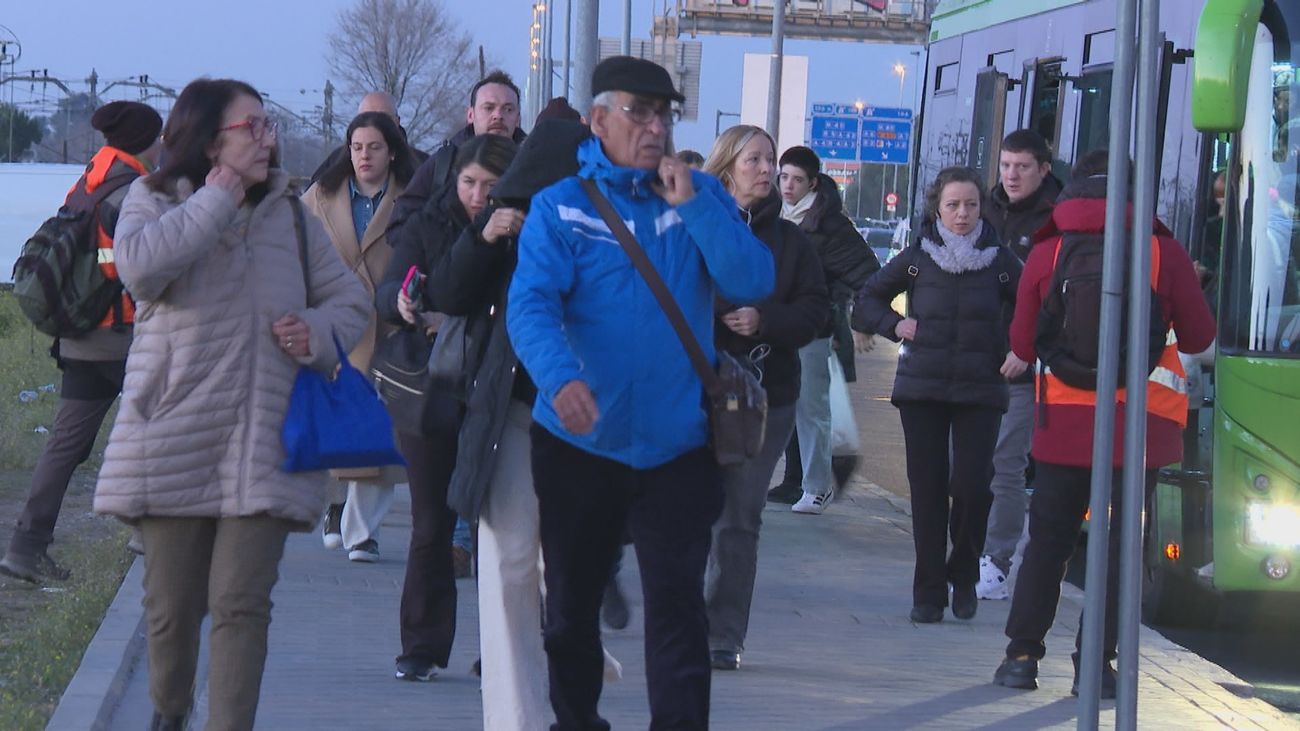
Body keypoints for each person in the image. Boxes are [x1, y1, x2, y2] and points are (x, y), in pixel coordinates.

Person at [92, 78, 370, 731]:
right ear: (211, 137)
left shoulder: (293, 215)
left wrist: (316, 331)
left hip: (266, 438)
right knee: (171, 607)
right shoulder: (152, 197)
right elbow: (140, 268)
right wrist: (216, 196)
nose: (269, 137)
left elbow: (351, 302)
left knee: (242, 602)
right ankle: (169, 710)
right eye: (255, 127)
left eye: (268, 125)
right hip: (173, 434)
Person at [506, 56, 774, 730]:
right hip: (578, 445)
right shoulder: (560, 206)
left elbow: (750, 280)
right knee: (570, 609)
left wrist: (694, 206)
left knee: (678, 605)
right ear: (599, 121)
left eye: (665, 114)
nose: (655, 127)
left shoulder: (701, 196)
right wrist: (560, 377)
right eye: (640, 112)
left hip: (677, 446)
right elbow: (530, 305)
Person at [992, 150, 1215, 696]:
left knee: (1048, 542)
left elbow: (1021, 343)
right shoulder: (1162, 251)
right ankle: (1097, 668)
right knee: (1121, 548)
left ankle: (1021, 658)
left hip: (1062, 426)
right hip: (1137, 427)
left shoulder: (1047, 250)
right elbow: (1200, 339)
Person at [0, 101, 162, 584]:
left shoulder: (89, 181)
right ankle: (144, 530)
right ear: (145, 142)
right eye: (157, 137)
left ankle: (25, 547)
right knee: (162, 425)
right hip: (120, 335)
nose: (162, 145)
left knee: (65, 445)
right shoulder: (133, 190)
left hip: (81, 334)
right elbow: (127, 267)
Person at [853, 166, 1021, 624]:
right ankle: (928, 592)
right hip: (921, 388)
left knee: (971, 488)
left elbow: (1036, 308)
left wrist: (1021, 352)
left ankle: (963, 574)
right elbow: (866, 299)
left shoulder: (1001, 261)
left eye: (970, 205)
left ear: (981, 208)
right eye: (953, 205)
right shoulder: (916, 258)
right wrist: (894, 324)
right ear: (937, 209)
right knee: (927, 492)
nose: (962, 214)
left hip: (981, 390)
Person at [700, 125, 828, 671]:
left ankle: (722, 635)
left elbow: (818, 312)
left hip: (763, 395)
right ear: (727, 166)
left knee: (740, 514)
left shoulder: (792, 242)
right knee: (681, 506)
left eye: (769, 159)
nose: (765, 168)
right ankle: (678, 615)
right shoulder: (694, 227)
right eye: (753, 159)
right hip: (694, 386)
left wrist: (765, 320)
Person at [301, 111, 416, 563]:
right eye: (357, 147)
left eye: (374, 147)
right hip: (336, 324)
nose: (364, 156)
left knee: (380, 433)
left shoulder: (412, 196)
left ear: (391, 151)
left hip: (390, 326)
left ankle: (361, 531)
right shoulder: (321, 196)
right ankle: (335, 509)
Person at [976, 129, 1064, 601]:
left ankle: (997, 558)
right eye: (1006, 165)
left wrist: (1025, 350)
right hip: (975, 362)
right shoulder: (981, 211)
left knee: (1005, 464)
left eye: (1022, 167)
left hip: (1023, 368)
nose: (1011, 175)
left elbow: (1054, 300)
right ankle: (970, 548)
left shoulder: (1058, 222)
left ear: (1043, 170)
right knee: (965, 464)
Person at [770, 145, 880, 513]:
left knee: (810, 408)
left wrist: (854, 318)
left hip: (813, 328)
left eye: (796, 179)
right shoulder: (772, 213)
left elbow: (868, 273)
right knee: (773, 405)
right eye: (783, 176)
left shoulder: (829, 224)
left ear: (813, 183)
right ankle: (786, 480)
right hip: (773, 327)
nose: (787, 185)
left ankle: (817, 487)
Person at [387, 70, 526, 235]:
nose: (498, 116)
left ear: (518, 118)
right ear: (470, 115)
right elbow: (400, 223)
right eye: (489, 108)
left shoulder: (532, 167)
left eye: (508, 109)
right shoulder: (444, 163)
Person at [307, 92, 427, 187]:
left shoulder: (423, 166)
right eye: (366, 117)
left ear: (397, 121)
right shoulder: (335, 163)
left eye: (383, 118)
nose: (373, 124)